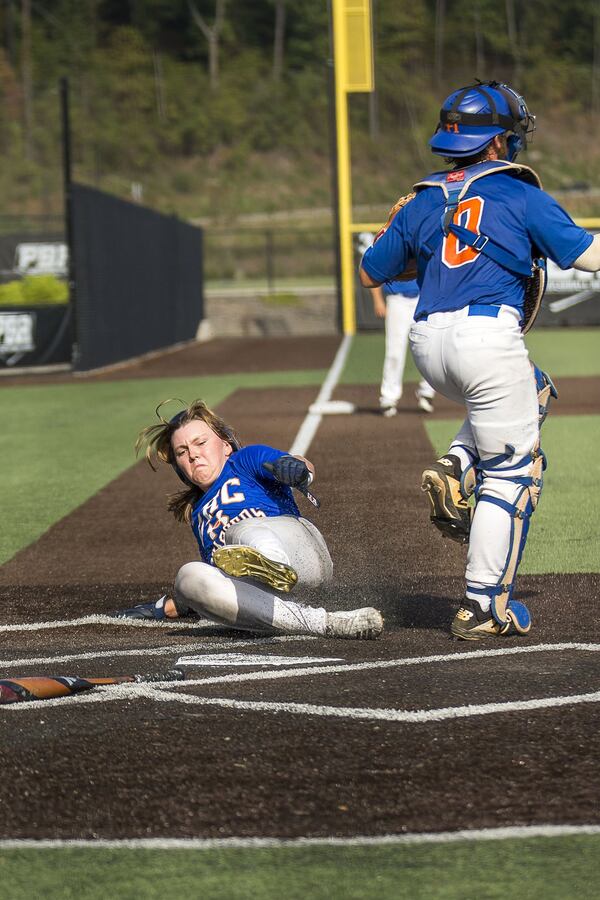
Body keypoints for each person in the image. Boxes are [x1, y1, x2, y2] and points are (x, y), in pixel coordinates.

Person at [359, 80, 600, 641]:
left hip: (430, 344)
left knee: (532, 389)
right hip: (486, 337)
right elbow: (587, 257)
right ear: (499, 144)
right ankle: (483, 605)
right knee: (515, 472)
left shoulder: (422, 199)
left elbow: (373, 271)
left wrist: (403, 228)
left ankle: (458, 464)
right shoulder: (519, 194)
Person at [114, 399, 383, 640]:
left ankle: (274, 565)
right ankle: (325, 623)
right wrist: (177, 602)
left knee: (238, 533)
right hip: (268, 598)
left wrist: (298, 471)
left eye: (200, 443)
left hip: (302, 555)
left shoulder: (244, 461)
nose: (193, 454)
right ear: (179, 467)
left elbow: (296, 463)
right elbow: (218, 583)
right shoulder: (199, 516)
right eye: (182, 452)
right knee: (188, 575)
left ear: (226, 445)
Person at [371, 278, 436, 416]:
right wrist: (378, 300)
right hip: (397, 299)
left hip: (423, 298)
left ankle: (427, 392)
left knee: (428, 348)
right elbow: (373, 271)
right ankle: (388, 397)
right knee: (394, 351)